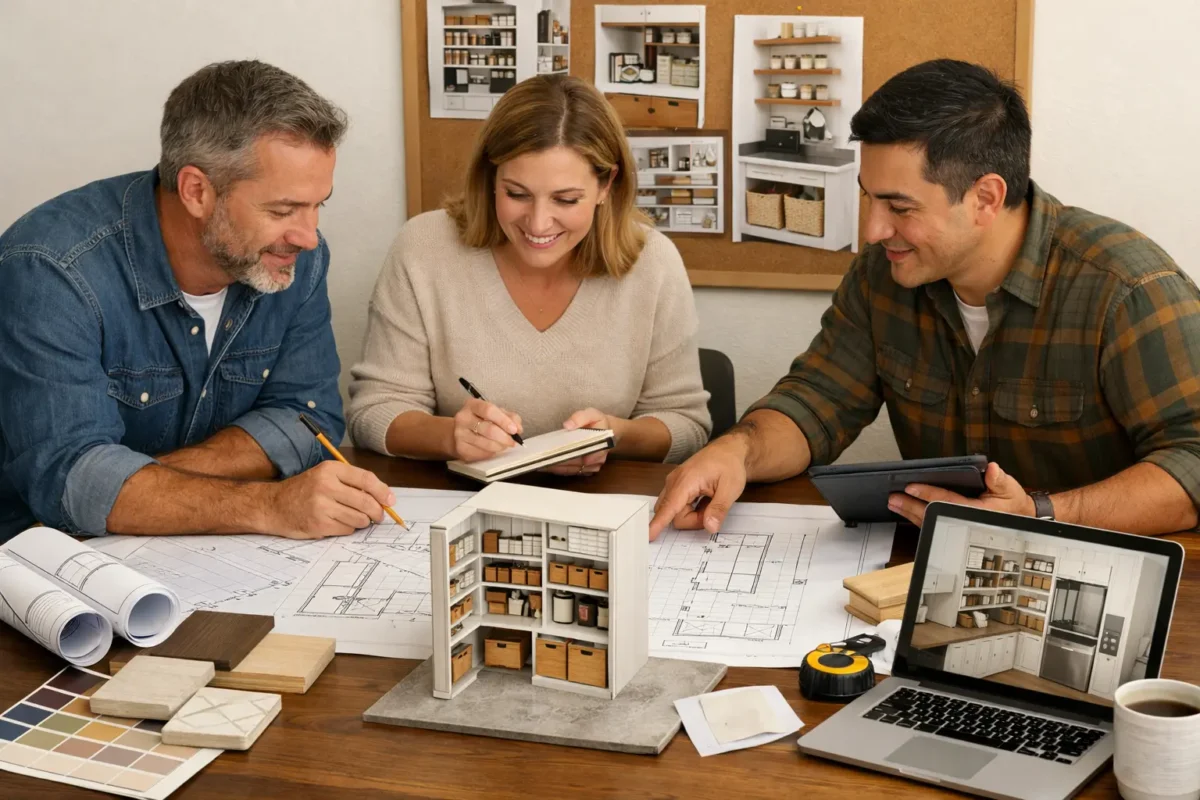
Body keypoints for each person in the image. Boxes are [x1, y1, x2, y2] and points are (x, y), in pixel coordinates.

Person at [651, 59, 1200, 539]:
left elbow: (1193, 461)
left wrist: (1040, 513)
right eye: (868, 198)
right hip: (932, 569)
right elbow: (817, 400)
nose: (872, 229)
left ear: (986, 198)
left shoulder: (1127, 289)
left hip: (1094, 572)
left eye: (899, 206)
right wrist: (738, 450)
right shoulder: (884, 275)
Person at [0, 60, 394, 543]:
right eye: (283, 209)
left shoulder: (294, 260)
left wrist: (146, 487)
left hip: (203, 557)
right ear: (196, 191)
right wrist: (270, 505)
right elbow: (71, 479)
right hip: (45, 564)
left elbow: (306, 417)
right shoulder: (52, 268)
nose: (309, 237)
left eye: (319, 205)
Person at [347, 75, 711, 474]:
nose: (538, 223)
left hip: (601, 507)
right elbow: (375, 409)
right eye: (516, 194)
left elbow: (687, 425)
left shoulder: (653, 263)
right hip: (458, 506)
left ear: (607, 184)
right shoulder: (424, 247)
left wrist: (615, 436)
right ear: (490, 178)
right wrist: (451, 436)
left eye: (566, 199)